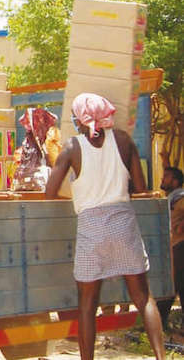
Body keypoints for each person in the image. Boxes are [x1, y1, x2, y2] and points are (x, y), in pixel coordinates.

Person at [45, 93, 165, 360]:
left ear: (79, 119)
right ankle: (160, 356)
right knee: (143, 298)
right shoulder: (123, 140)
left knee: (87, 305)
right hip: (123, 224)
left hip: (91, 229)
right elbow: (141, 187)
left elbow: (49, 193)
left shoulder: (72, 147)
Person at [156, 148, 184, 327]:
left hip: (179, 245)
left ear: (174, 181)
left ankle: (159, 323)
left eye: (165, 177)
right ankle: (159, 323)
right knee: (174, 285)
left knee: (173, 285)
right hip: (174, 246)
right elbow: (171, 176)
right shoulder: (173, 195)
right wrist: (165, 160)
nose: (162, 179)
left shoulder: (180, 196)